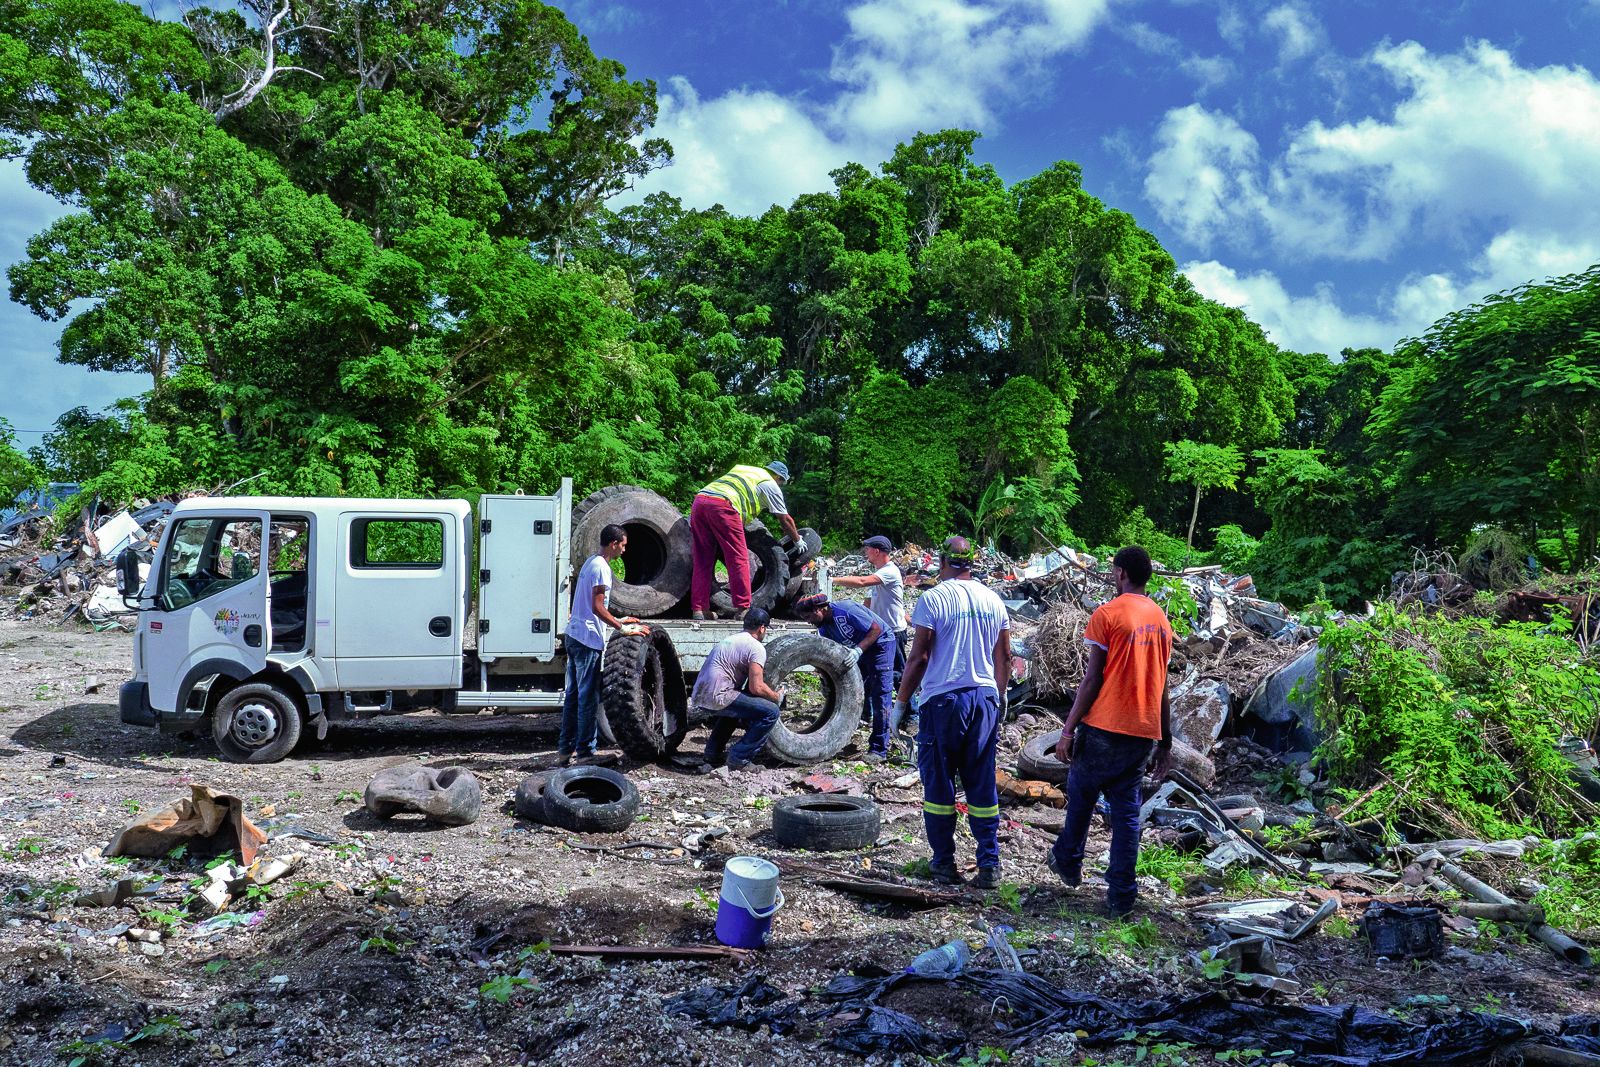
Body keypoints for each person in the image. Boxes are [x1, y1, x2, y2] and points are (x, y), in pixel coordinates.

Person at [1046, 546, 1174, 917]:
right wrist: (1163, 741)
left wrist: (1068, 729)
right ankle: (1121, 895)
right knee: (1126, 813)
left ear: (1120, 573)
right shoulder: (1161, 621)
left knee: (1081, 794)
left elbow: (1091, 679)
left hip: (1105, 726)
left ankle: (1069, 861)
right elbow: (1163, 686)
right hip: (1142, 732)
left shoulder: (1107, 614)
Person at [893, 535, 1011, 888]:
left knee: (940, 783)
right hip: (984, 698)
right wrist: (1000, 696)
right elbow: (1003, 657)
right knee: (980, 779)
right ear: (974, 563)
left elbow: (920, 656)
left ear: (943, 562)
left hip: (944, 700)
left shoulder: (933, 599)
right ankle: (989, 864)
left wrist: (900, 705)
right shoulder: (994, 600)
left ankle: (944, 863)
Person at [559, 523, 646, 766]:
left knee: (573, 695)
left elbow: (589, 605)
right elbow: (597, 607)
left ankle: (565, 750)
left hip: (575, 635)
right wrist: (622, 628)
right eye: (623, 545)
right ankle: (586, 752)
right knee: (587, 697)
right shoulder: (602, 568)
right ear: (614, 543)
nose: (624, 550)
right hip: (587, 639)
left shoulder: (590, 562)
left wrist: (617, 619)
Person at [689, 462, 801, 620]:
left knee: (703, 559)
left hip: (700, 502)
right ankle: (743, 609)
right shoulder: (770, 484)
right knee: (738, 558)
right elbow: (785, 519)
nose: (780, 486)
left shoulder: (746, 470)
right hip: (723, 506)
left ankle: (699, 610)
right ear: (778, 477)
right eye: (781, 482)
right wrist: (797, 540)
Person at [794, 592, 896, 761]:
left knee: (881, 695)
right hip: (859, 648)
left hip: (880, 645)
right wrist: (826, 679)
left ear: (819, 609)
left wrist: (858, 651)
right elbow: (831, 657)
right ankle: (861, 719)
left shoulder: (846, 610)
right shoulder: (824, 628)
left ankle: (879, 749)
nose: (808, 621)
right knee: (855, 688)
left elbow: (876, 629)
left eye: (808, 616)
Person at [692, 608, 786, 770]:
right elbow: (756, 687)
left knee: (736, 709)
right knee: (771, 712)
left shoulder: (731, 639)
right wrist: (776, 696)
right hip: (719, 694)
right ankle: (740, 759)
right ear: (761, 628)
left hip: (700, 694)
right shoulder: (756, 647)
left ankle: (712, 755)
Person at [831, 535, 908, 669]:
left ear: (877, 551)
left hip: (894, 631)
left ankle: (911, 691)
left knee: (898, 674)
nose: (866, 552)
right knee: (875, 670)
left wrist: (833, 580)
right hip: (880, 630)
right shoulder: (879, 573)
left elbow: (862, 582)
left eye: (868, 549)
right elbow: (868, 604)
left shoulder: (889, 571)